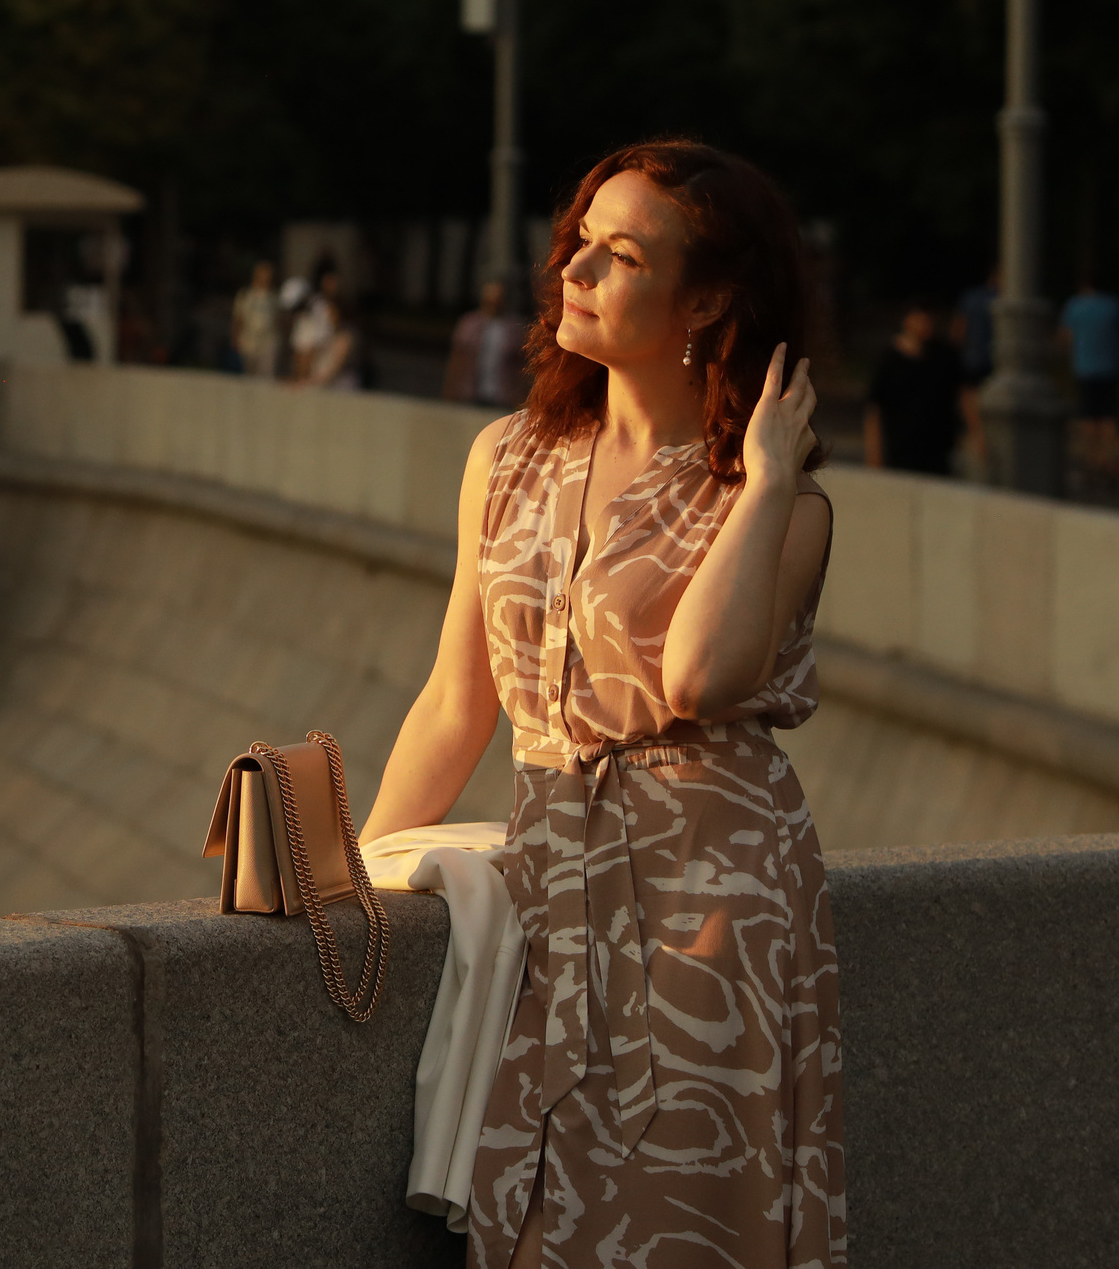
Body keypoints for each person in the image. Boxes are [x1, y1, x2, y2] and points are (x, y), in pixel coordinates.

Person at [364, 138, 844, 1269]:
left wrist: (767, 478)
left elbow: (697, 681)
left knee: (683, 1229)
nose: (572, 273)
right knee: (538, 1222)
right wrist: (358, 874)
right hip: (552, 890)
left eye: (618, 255)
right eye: (578, 244)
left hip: (712, 908)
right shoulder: (510, 455)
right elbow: (454, 700)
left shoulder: (782, 505)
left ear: (708, 301)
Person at [864, 297, 963, 474]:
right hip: (900, 449)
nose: (925, 325)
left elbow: (961, 394)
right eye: (920, 318)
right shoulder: (889, 360)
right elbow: (875, 408)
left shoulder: (944, 356)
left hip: (937, 451)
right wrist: (874, 450)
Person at [1060, 273, 1119, 489]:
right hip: (1110, 367)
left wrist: (1079, 348)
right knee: (1109, 417)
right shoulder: (1114, 306)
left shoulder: (1075, 306)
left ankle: (1091, 461)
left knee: (1088, 418)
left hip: (1084, 367)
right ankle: (1109, 459)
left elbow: (1066, 337)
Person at [444, 280, 525, 407]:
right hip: (470, 393)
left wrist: (519, 396)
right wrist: (451, 389)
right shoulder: (470, 323)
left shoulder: (514, 327)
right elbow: (458, 358)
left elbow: (521, 365)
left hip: (502, 396)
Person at [953, 269, 998, 469]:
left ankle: (976, 433)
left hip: (973, 356)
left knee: (969, 395)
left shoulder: (971, 297)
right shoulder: (1001, 298)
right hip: (993, 357)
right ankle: (982, 436)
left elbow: (959, 326)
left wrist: (958, 348)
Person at [232, 260, 281, 377]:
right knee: (248, 374)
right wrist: (235, 337)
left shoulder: (274, 297)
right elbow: (238, 318)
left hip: (268, 342)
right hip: (248, 341)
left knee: (266, 375)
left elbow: (279, 320)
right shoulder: (245, 295)